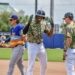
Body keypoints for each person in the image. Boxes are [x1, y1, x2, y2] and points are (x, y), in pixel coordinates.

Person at [23, 10, 54, 75]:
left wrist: (52, 27)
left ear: (43, 17)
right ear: (36, 16)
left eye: (42, 16)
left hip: (41, 45)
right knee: (31, 65)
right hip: (32, 45)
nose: (40, 17)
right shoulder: (31, 22)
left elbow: (49, 35)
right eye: (39, 16)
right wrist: (28, 23)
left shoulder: (43, 23)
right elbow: (24, 32)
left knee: (44, 64)